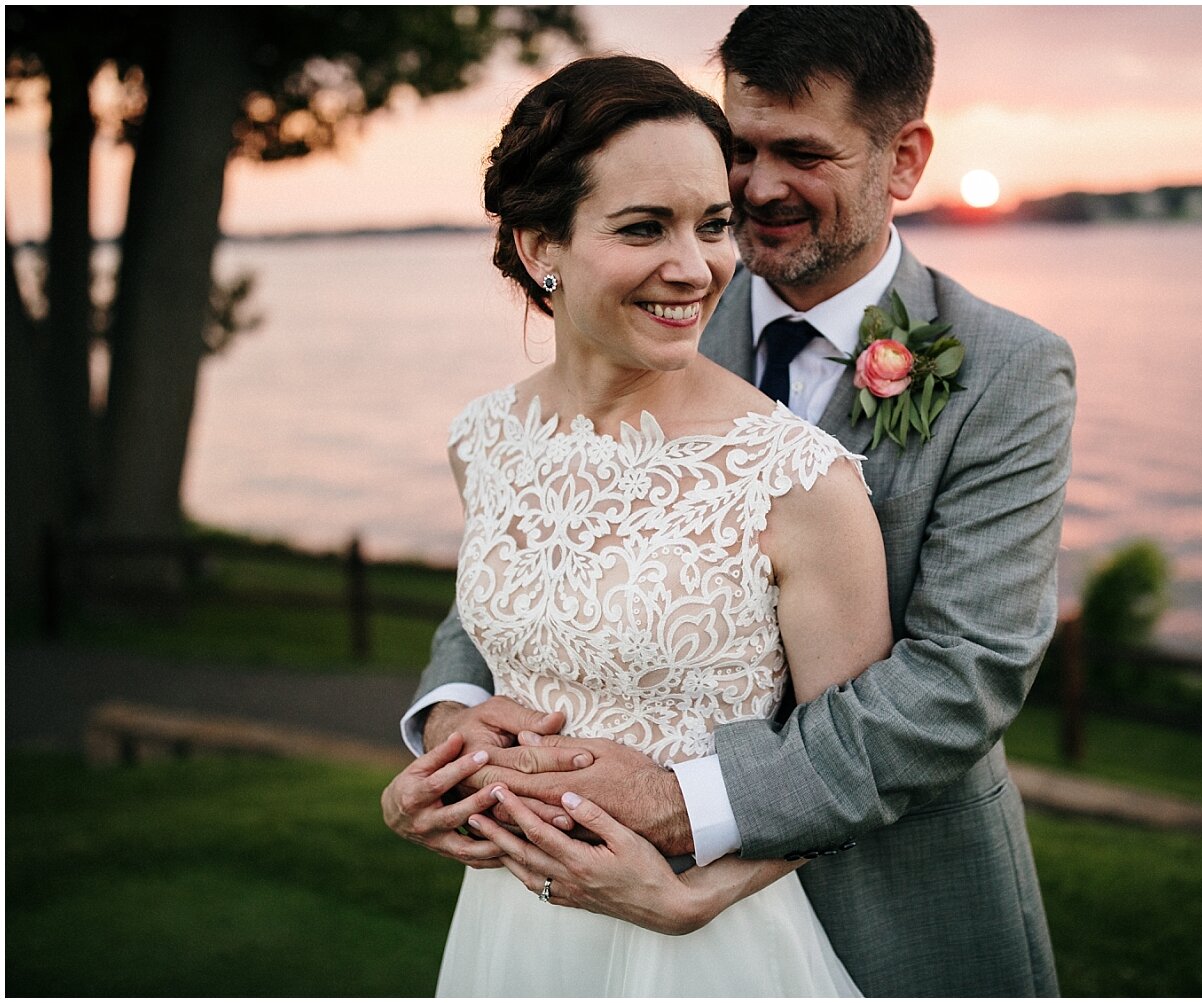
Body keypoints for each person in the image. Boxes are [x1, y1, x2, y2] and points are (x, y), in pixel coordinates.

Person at [385, 6, 1074, 997]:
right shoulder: (655, 315)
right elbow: (541, 556)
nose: (754, 190)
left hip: (883, 887)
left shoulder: (1007, 369)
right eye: (738, 147)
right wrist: (453, 723)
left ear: (906, 158)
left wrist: (689, 812)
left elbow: (965, 671)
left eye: (802, 153)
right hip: (557, 896)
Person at [399, 52, 894, 996]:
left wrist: (699, 893)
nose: (694, 266)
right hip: (512, 921)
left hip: (707, 945)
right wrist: (442, 759)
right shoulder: (484, 439)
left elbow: (849, 765)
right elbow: (493, 642)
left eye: (712, 225)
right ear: (541, 244)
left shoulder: (798, 478)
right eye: (643, 228)